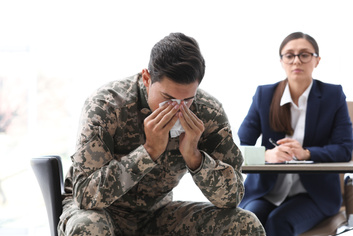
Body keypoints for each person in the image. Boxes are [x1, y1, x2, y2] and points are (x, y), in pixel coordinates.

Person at [58, 33, 264, 236]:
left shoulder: (207, 112)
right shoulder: (107, 105)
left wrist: (195, 158)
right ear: (147, 78)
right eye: (168, 97)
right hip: (101, 212)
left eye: (188, 99)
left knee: (243, 224)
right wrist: (148, 152)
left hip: (156, 215)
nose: (177, 108)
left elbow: (232, 197)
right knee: (89, 226)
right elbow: (85, 195)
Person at [238, 32, 353, 235]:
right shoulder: (264, 95)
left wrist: (307, 153)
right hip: (265, 192)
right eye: (289, 55)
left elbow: (344, 149)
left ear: (317, 60)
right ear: (281, 61)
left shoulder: (333, 96)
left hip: (314, 195)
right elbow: (240, 144)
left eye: (304, 54)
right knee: (248, 222)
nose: (296, 61)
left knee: (278, 223)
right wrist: (266, 155)